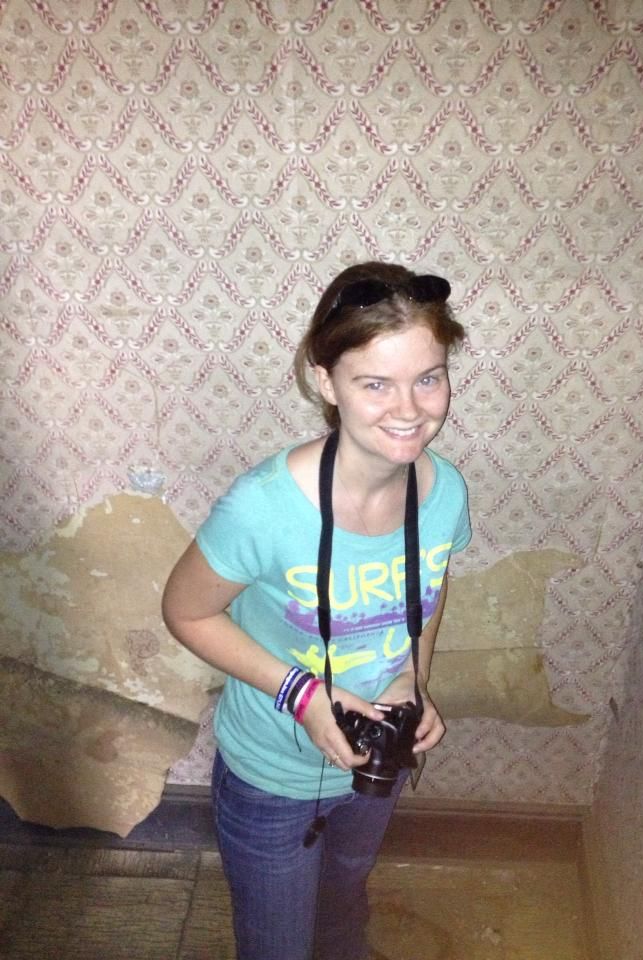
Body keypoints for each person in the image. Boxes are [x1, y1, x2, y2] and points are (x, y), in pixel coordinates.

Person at [161, 261, 472, 960]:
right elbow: (185, 612)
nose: (410, 409)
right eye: (375, 383)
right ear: (326, 381)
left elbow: (431, 587)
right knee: (278, 944)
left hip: (377, 768)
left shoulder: (446, 492)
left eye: (429, 378)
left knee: (342, 913)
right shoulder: (263, 508)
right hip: (272, 779)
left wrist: (412, 680)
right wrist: (302, 695)